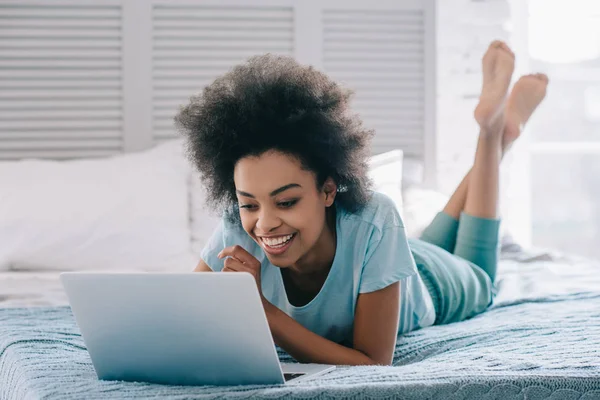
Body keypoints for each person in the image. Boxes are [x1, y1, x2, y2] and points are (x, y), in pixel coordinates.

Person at [175, 40, 548, 366]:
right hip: (394, 255)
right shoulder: (237, 227)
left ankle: (493, 131)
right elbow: (179, 316)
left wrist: (261, 310)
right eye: (250, 204)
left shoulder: (376, 217)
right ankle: (501, 134)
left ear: (328, 190)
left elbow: (372, 362)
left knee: (479, 271)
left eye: (286, 202)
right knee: (435, 232)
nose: (265, 223)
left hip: (432, 281)